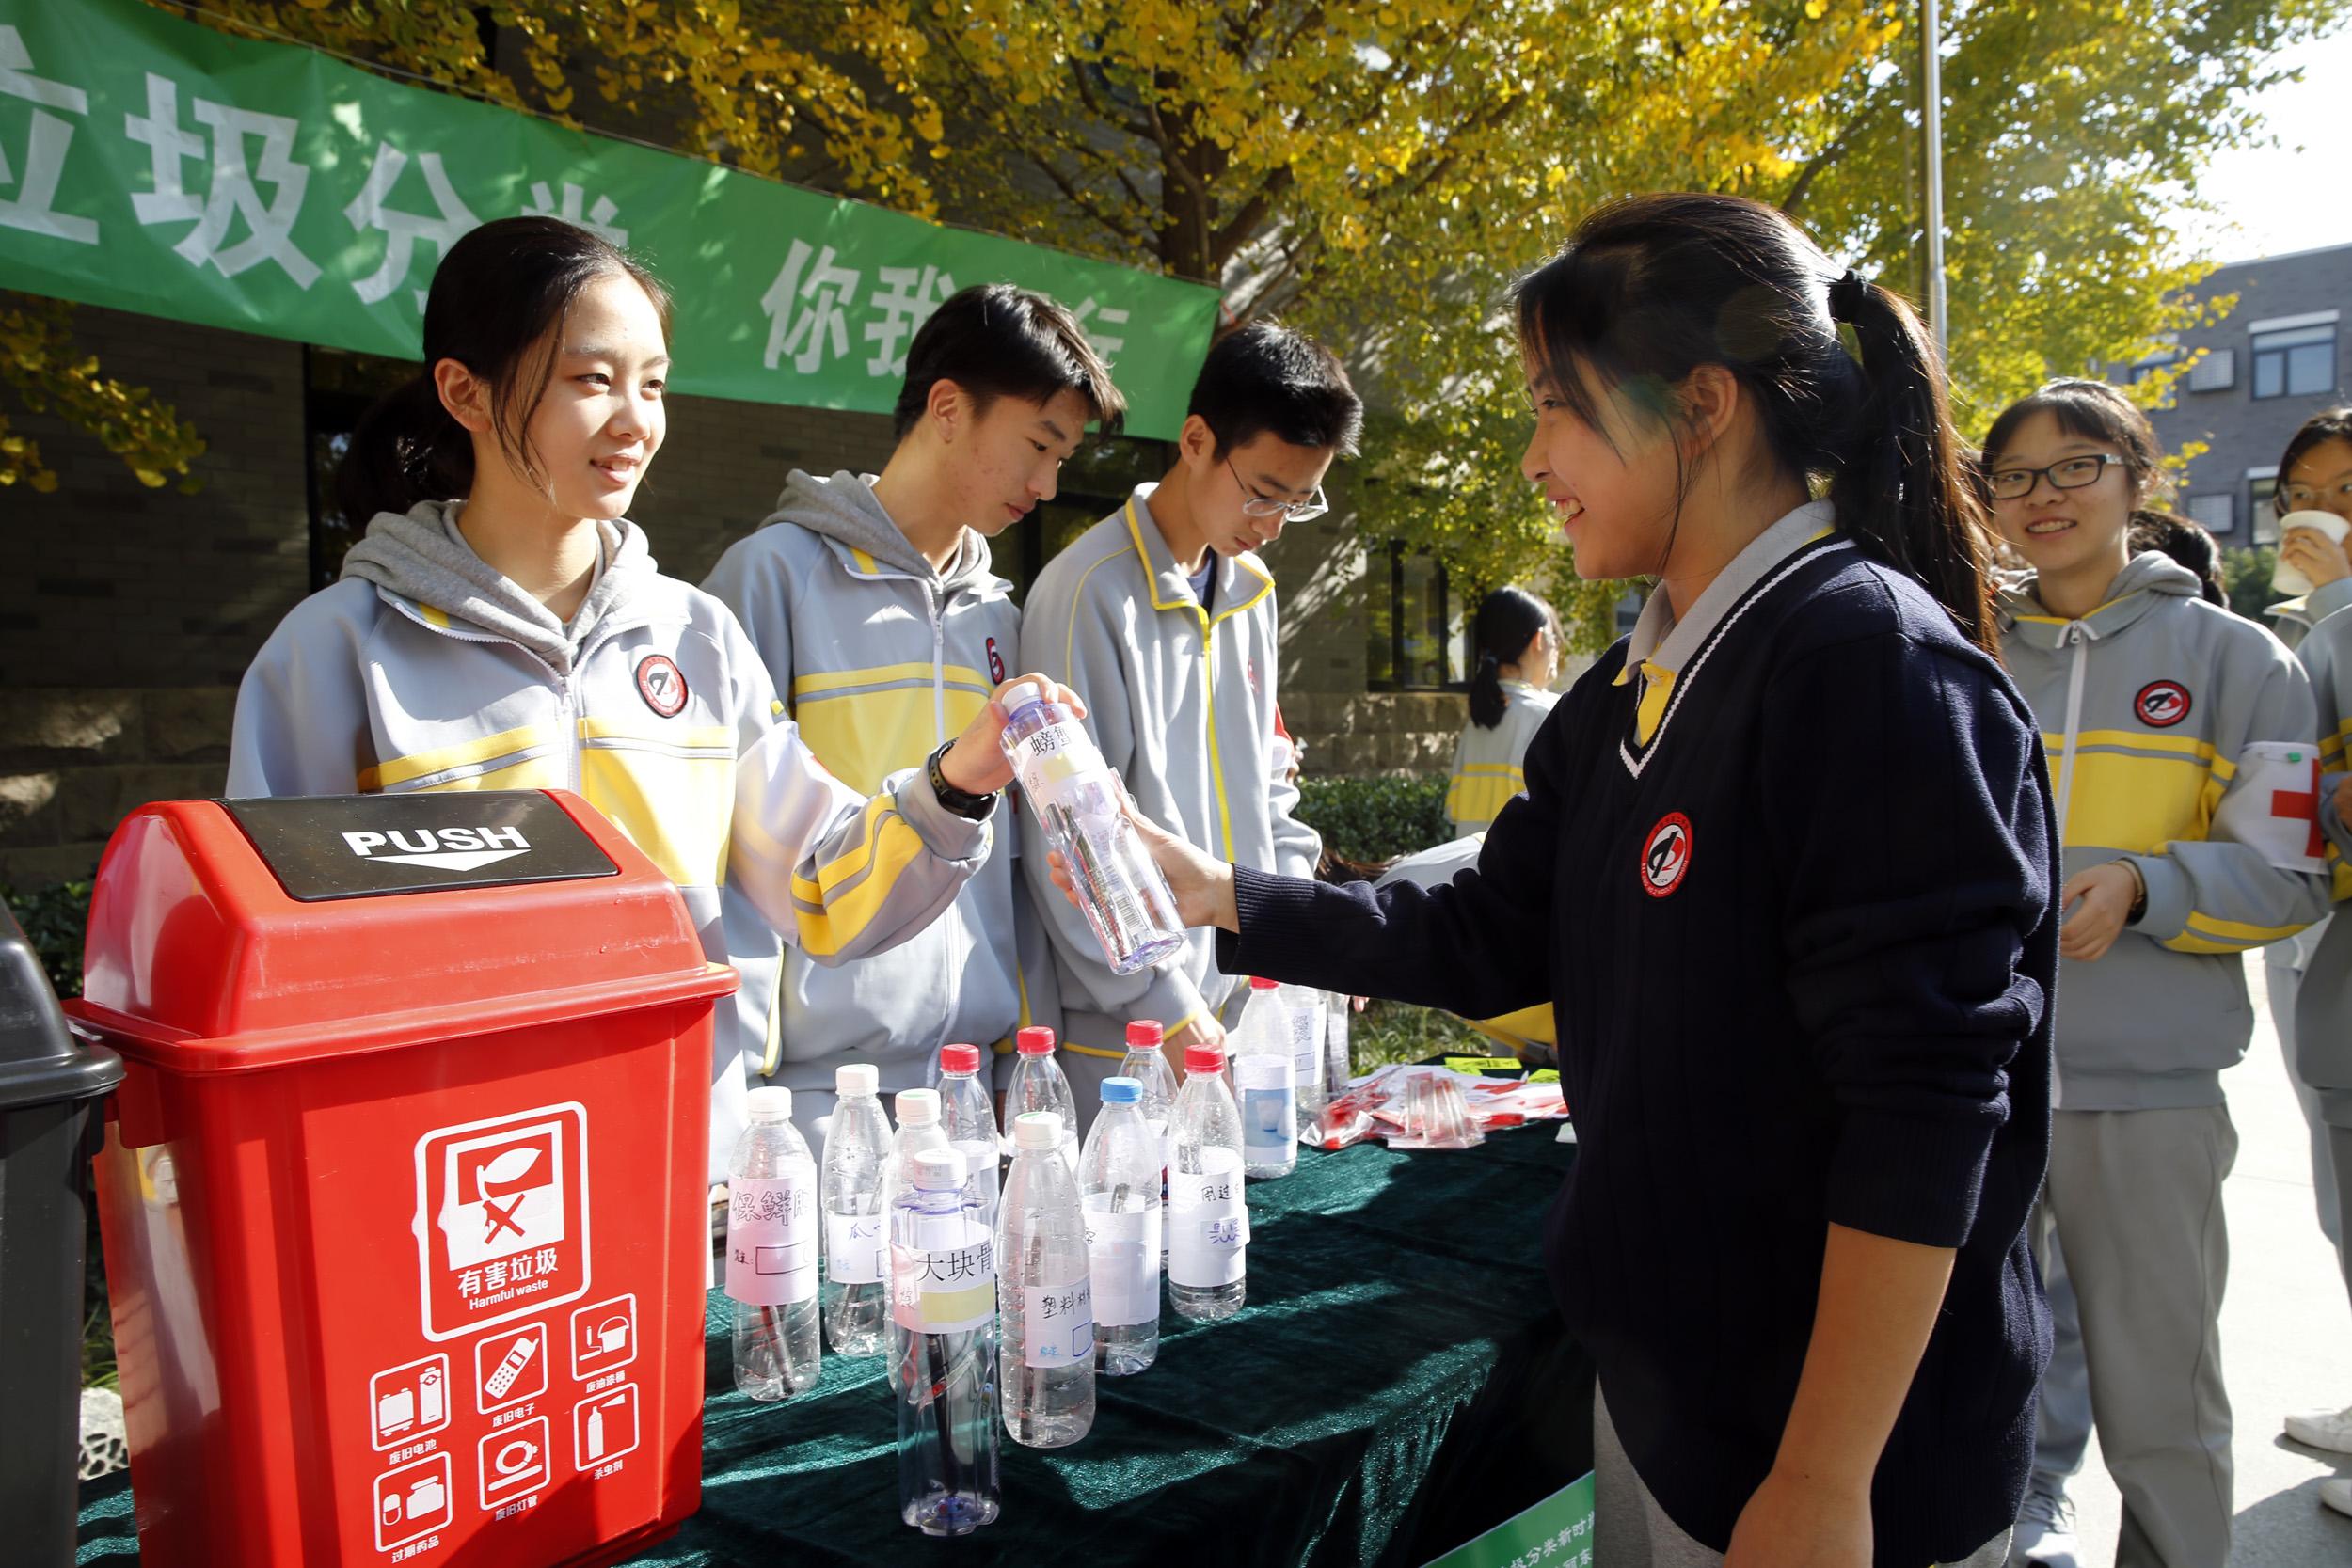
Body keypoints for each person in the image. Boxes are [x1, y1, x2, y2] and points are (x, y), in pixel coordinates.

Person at [1072, 192, 2053, 1567]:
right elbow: (1489, 930)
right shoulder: (1627, 693)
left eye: (1557, 404)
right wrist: (1221, 893)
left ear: (1701, 406)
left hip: (1832, 1463)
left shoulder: (1868, 666)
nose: (1534, 456)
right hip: (1670, 1408)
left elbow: (1930, 1107)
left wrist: (1827, 1478)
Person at [226, 215, 1083, 1183]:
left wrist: (958, 780)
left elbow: (820, 887)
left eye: (653, 382)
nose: (635, 419)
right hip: (453, 1195)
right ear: (464, 391)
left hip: (684, 1172)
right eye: (592, 380)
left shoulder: (695, 640)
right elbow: (278, 981)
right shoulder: (338, 653)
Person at [1982, 378, 2327, 1568]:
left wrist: (2144, 884)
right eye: (2016, 474)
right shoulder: (1958, 651)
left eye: (2075, 466)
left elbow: (2290, 877)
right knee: (1972, 1382)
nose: (2044, 496)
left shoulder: (2240, 663)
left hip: (2151, 1094)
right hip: (1977, 1086)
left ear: (2138, 477)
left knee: (2160, 1404)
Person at [703, 284, 1121, 1138]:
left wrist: (1019, 1056)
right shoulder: (769, 580)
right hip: (817, 1104)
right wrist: (736, 1090)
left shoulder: (998, 619)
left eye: (1062, 459)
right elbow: (726, 864)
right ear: (946, 408)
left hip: (972, 1090)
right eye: (1038, 444)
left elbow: (1017, 873)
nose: (1045, 485)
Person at [1016, 321, 1359, 1118]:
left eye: (1299, 502)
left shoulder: (1252, 592)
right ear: (1196, 439)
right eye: (1264, 492)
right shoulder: (1087, 592)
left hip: (1245, 1016)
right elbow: (1069, 844)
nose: (1272, 523)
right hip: (1128, 1039)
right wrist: (1170, 1009)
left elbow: (1271, 797)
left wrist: (1308, 938)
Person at [2267, 407, 2352, 1513]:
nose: (2326, 510)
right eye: (2311, 490)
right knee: (2339, 1189)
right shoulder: (2310, 620)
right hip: (2313, 944)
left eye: (2348, 489)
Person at [1447, 586, 1563, 836]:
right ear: (1539, 640)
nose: (1558, 650)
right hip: (1531, 873)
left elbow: (1457, 820)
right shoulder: (1552, 715)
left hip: (1471, 871)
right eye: (1555, 640)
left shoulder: (1477, 722)